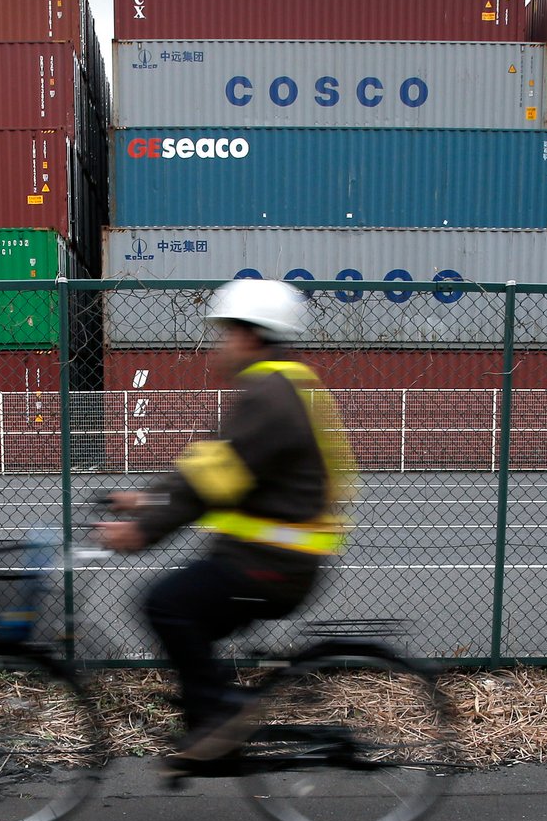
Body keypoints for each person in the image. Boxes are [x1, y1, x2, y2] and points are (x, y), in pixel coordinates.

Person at [97, 277, 355, 771]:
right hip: (267, 557)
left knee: (166, 603)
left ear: (252, 335)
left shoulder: (269, 396)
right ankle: (215, 718)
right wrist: (146, 498)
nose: (220, 344)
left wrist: (143, 530)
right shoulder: (282, 386)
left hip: (273, 564)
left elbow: (214, 480)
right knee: (186, 611)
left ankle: (220, 719)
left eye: (227, 333)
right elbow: (209, 464)